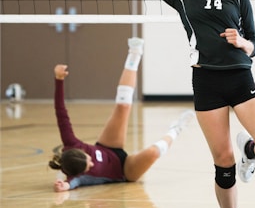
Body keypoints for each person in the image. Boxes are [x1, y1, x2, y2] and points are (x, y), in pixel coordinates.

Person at [135, 0, 255, 208]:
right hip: (207, 81)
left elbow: (253, 46)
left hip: (240, 78)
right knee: (223, 161)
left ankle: (249, 150)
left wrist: (241, 43)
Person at [48, 37, 195, 192]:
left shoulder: (70, 142)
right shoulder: (79, 176)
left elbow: (60, 112)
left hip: (108, 147)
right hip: (125, 170)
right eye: (88, 167)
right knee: (153, 152)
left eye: (88, 160)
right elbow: (72, 183)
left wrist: (59, 79)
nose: (92, 164)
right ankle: (175, 129)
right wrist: (64, 186)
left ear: (79, 151)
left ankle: (135, 53)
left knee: (123, 106)